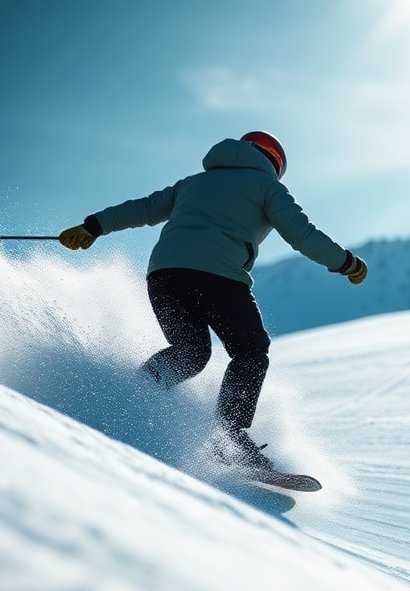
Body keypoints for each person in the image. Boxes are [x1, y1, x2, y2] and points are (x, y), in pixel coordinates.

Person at [59, 131, 368, 471]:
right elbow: (301, 233)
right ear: (275, 164)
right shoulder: (268, 188)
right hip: (218, 277)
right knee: (250, 351)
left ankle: (130, 395)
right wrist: (345, 263)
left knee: (191, 352)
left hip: (165, 275)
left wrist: (93, 226)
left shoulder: (194, 182)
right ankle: (230, 438)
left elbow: (145, 208)